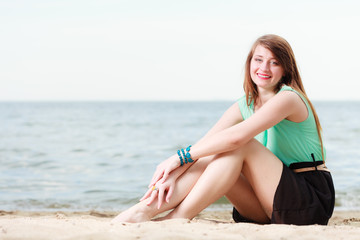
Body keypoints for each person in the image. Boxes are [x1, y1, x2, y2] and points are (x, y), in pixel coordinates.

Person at [112, 34, 335, 225]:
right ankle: (142, 210)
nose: (264, 68)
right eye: (258, 60)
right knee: (213, 149)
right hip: (268, 203)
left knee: (238, 144)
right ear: (249, 63)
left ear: (286, 69)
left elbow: (236, 138)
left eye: (274, 62)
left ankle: (178, 217)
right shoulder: (244, 104)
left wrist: (177, 157)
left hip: (308, 199)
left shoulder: (288, 98)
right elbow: (204, 146)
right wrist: (171, 175)